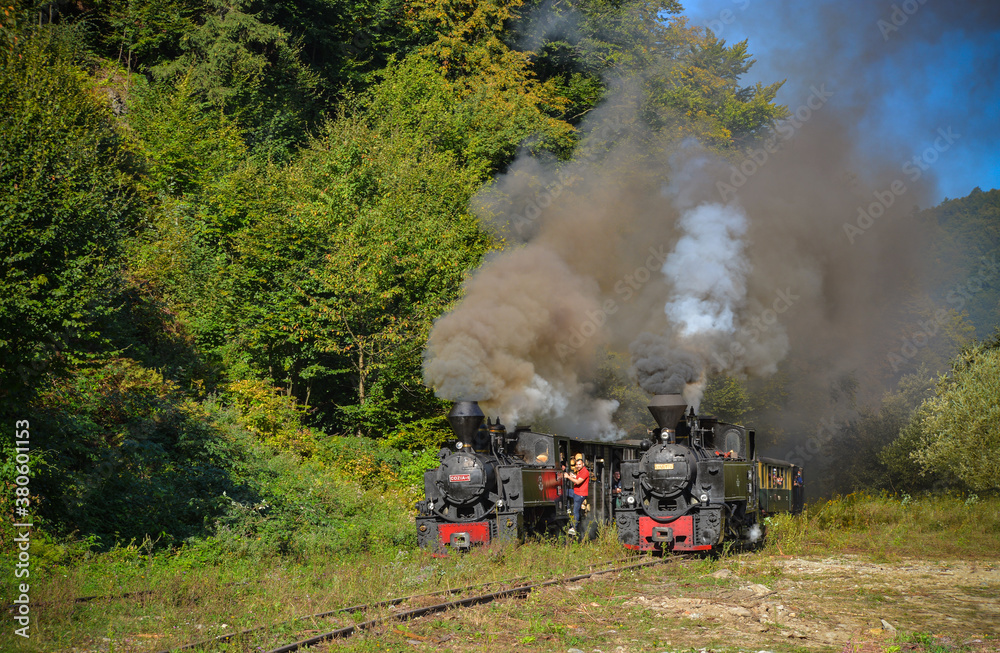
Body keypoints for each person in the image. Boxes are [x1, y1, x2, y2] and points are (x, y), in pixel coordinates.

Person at [565, 455, 590, 536]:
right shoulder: (580, 471)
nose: (578, 466)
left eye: (579, 464)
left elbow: (578, 482)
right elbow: (578, 478)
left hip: (580, 494)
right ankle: (567, 508)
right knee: (564, 492)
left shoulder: (585, 472)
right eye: (577, 464)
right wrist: (574, 476)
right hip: (576, 491)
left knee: (576, 511)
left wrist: (568, 477)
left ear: (583, 464)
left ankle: (573, 528)